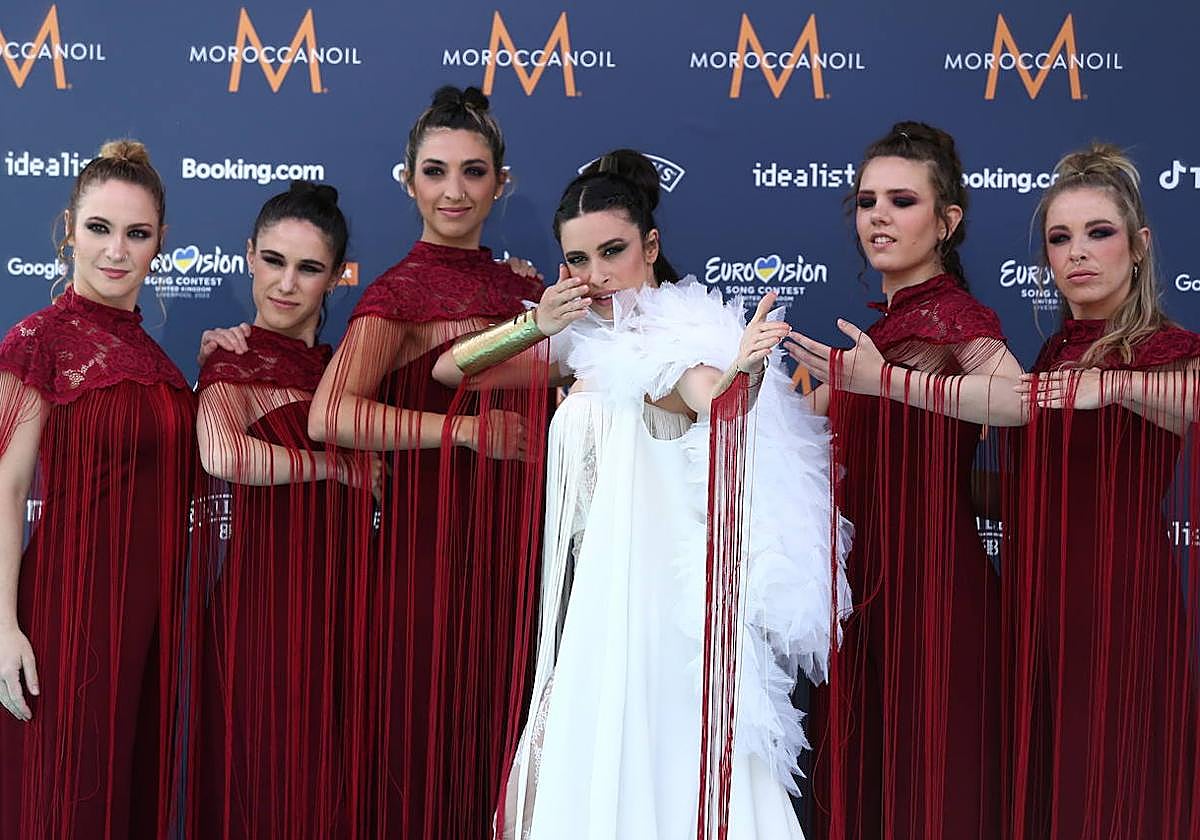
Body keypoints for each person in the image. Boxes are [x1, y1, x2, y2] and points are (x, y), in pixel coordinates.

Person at [434, 149, 848, 839]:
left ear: (651, 245)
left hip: (658, 610)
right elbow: (455, 372)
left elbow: (712, 400)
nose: (595, 275)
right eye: (577, 260)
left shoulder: (676, 338)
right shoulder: (585, 341)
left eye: (613, 251)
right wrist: (538, 322)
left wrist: (740, 371)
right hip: (597, 597)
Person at [306, 85, 548, 839]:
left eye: (473, 172)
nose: (454, 191)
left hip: (524, 557)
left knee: (512, 751)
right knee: (426, 748)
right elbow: (331, 414)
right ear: (407, 179)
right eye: (436, 171)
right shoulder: (397, 294)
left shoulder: (529, 291)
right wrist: (460, 436)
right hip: (428, 558)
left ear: (500, 184)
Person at [786, 122, 1022, 840]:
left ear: (947, 221)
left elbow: (1019, 401)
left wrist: (886, 383)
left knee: (931, 792)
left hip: (933, 589)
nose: (878, 216)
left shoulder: (953, 316)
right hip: (860, 589)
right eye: (866, 201)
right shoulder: (884, 329)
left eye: (901, 201)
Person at [0, 140, 198, 839]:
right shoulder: (39, 341)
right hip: (71, 610)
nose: (116, 251)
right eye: (99, 229)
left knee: (129, 795)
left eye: (137, 234)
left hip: (152, 618)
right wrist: (3, 627)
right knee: (69, 799)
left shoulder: (159, 359)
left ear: (160, 243)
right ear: (68, 230)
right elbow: (8, 482)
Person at [1006, 143, 1200, 840]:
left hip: (1117, 594)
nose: (1077, 253)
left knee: (1114, 782)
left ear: (1140, 245)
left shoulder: (1164, 346)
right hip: (1033, 595)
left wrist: (1113, 382)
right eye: (1060, 238)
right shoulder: (1054, 351)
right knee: (1046, 784)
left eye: (1099, 233)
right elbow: (1039, 478)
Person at [195, 181, 376, 839]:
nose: (287, 284)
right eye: (273, 260)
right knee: (265, 785)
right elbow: (221, 453)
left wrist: (514, 286)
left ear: (336, 278)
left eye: (309, 268)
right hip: (261, 611)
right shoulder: (231, 361)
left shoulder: (345, 370)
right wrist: (330, 466)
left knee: (340, 783)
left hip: (348, 606)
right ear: (248, 255)